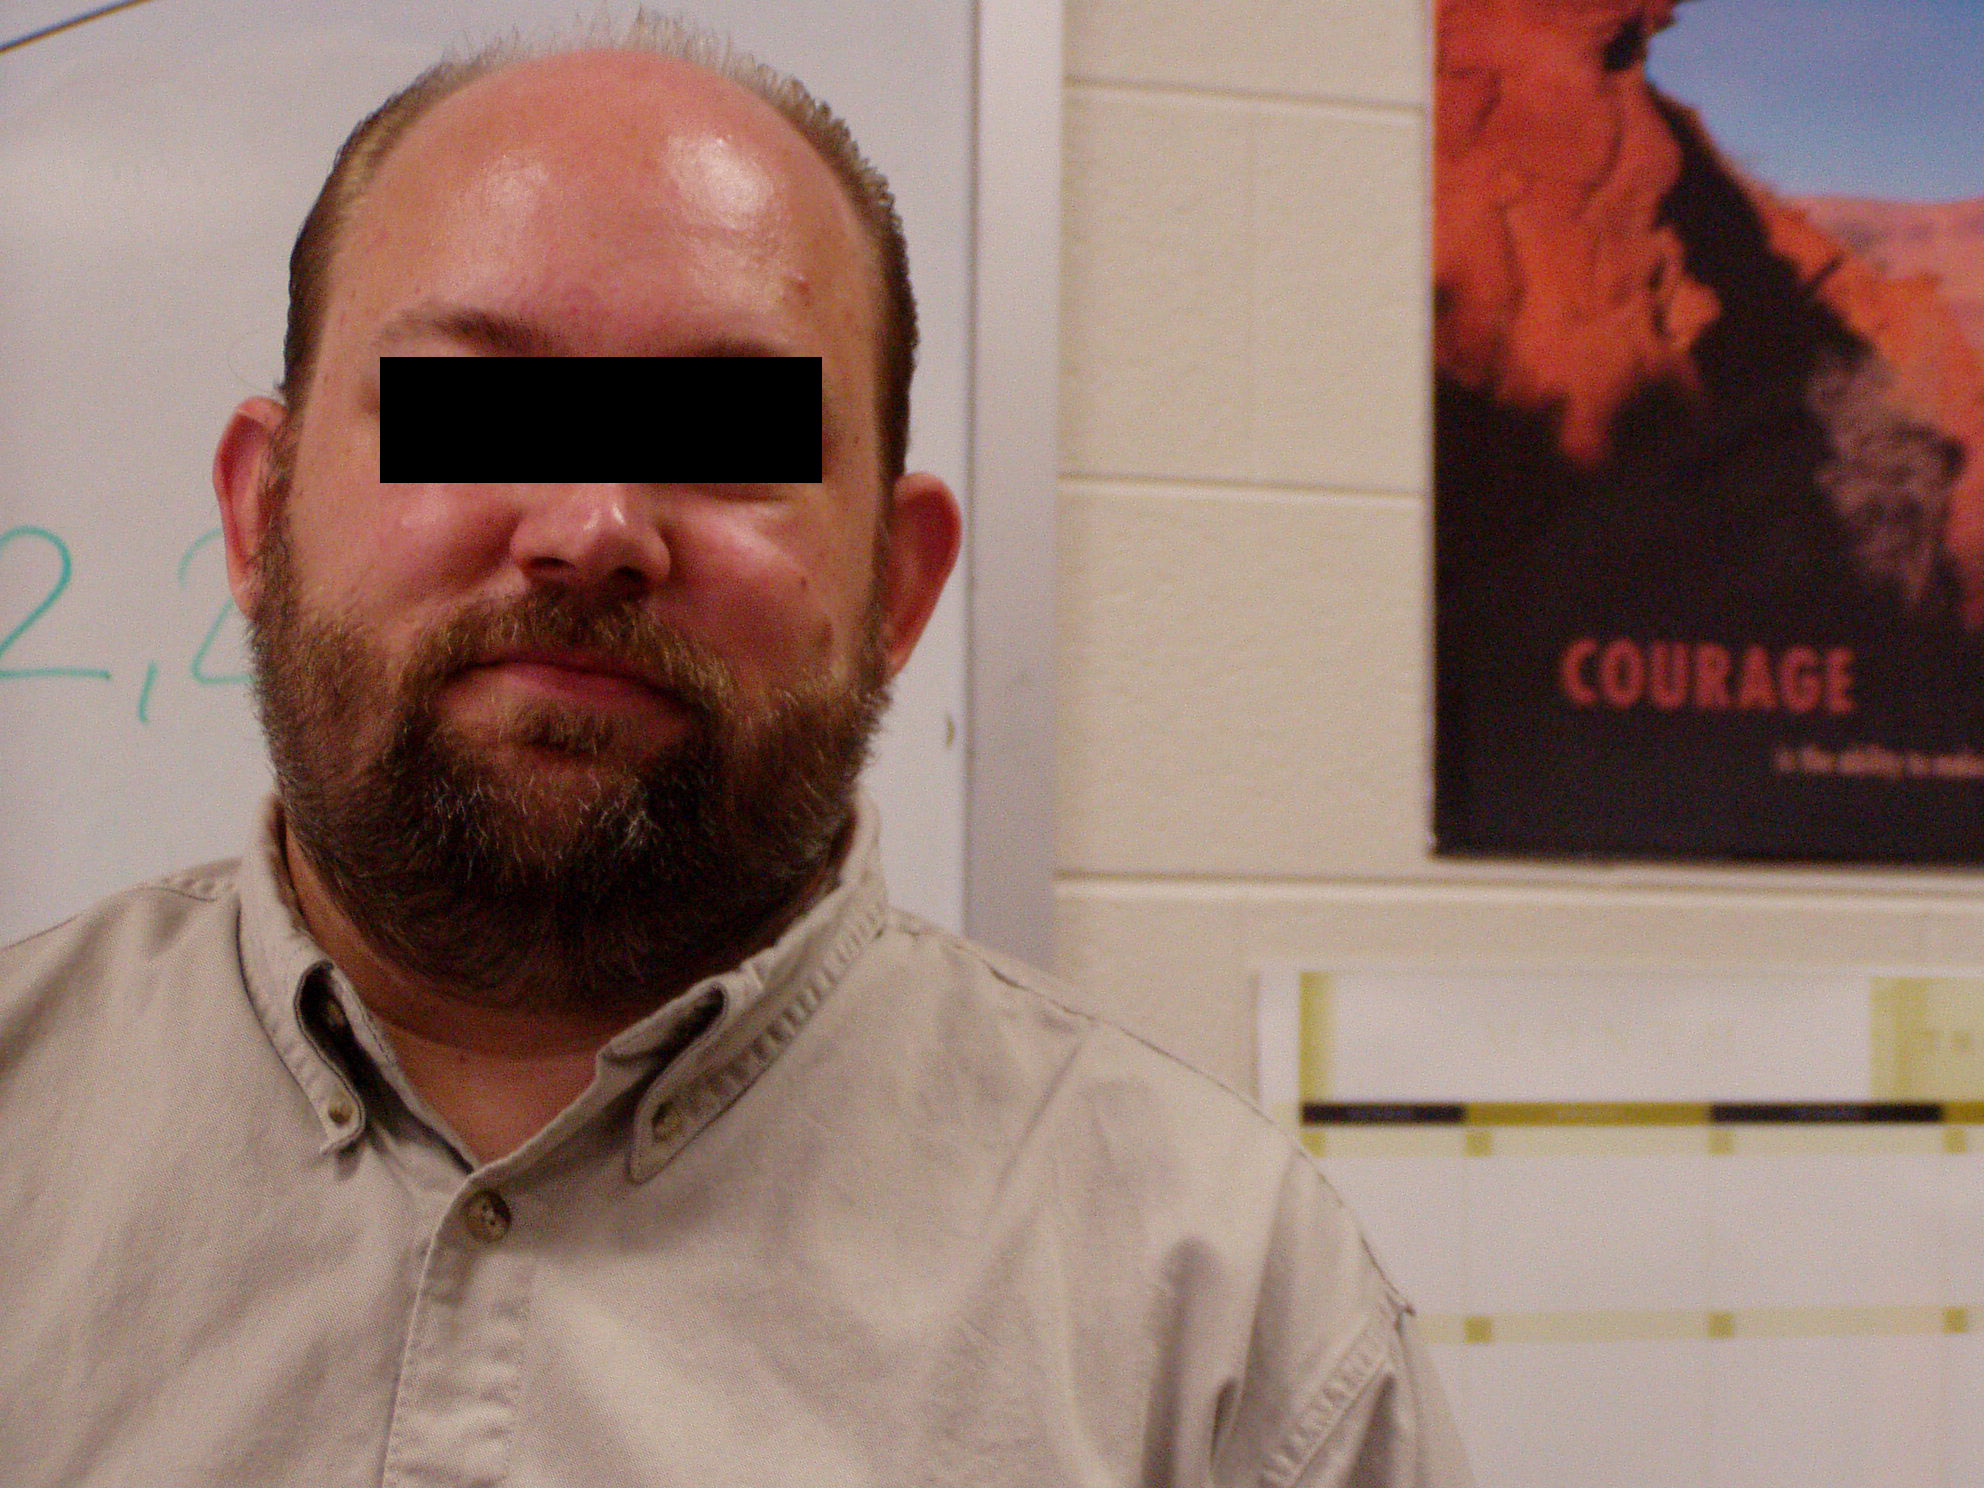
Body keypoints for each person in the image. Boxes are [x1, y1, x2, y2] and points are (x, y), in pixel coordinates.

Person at [0, 16, 1470, 1486]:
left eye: (725, 440)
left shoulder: (1224, 1322)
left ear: (897, 587)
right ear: (260, 513)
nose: (591, 529)